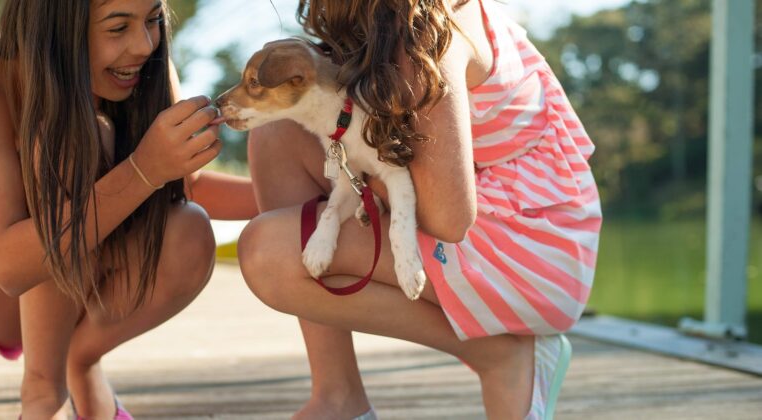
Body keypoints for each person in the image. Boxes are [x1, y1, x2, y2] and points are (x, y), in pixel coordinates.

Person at [238, 0, 601, 419]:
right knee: (279, 131)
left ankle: (499, 354)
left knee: (270, 254)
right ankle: (339, 397)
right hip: (531, 229)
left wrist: (362, 176)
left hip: (530, 254)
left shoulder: (430, 37)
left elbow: (448, 218)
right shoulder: (389, 23)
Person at [0, 0, 257, 418]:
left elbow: (187, 187)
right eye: (117, 27)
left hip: (74, 261)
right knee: (68, 137)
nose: (144, 45)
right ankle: (43, 393)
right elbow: (7, 266)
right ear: (58, 22)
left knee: (188, 230)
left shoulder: (141, 64)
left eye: (152, 21)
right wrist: (144, 168)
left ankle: (81, 363)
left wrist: (314, 192)